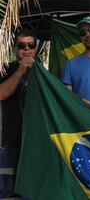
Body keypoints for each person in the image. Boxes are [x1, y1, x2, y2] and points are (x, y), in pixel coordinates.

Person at [0, 29, 37, 198]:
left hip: (36, 142)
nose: (26, 49)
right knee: (8, 192)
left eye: (31, 45)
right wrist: (20, 71)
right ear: (15, 49)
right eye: (21, 45)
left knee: (32, 190)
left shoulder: (43, 74)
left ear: (36, 48)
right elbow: (2, 94)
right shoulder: (5, 69)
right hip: (11, 141)